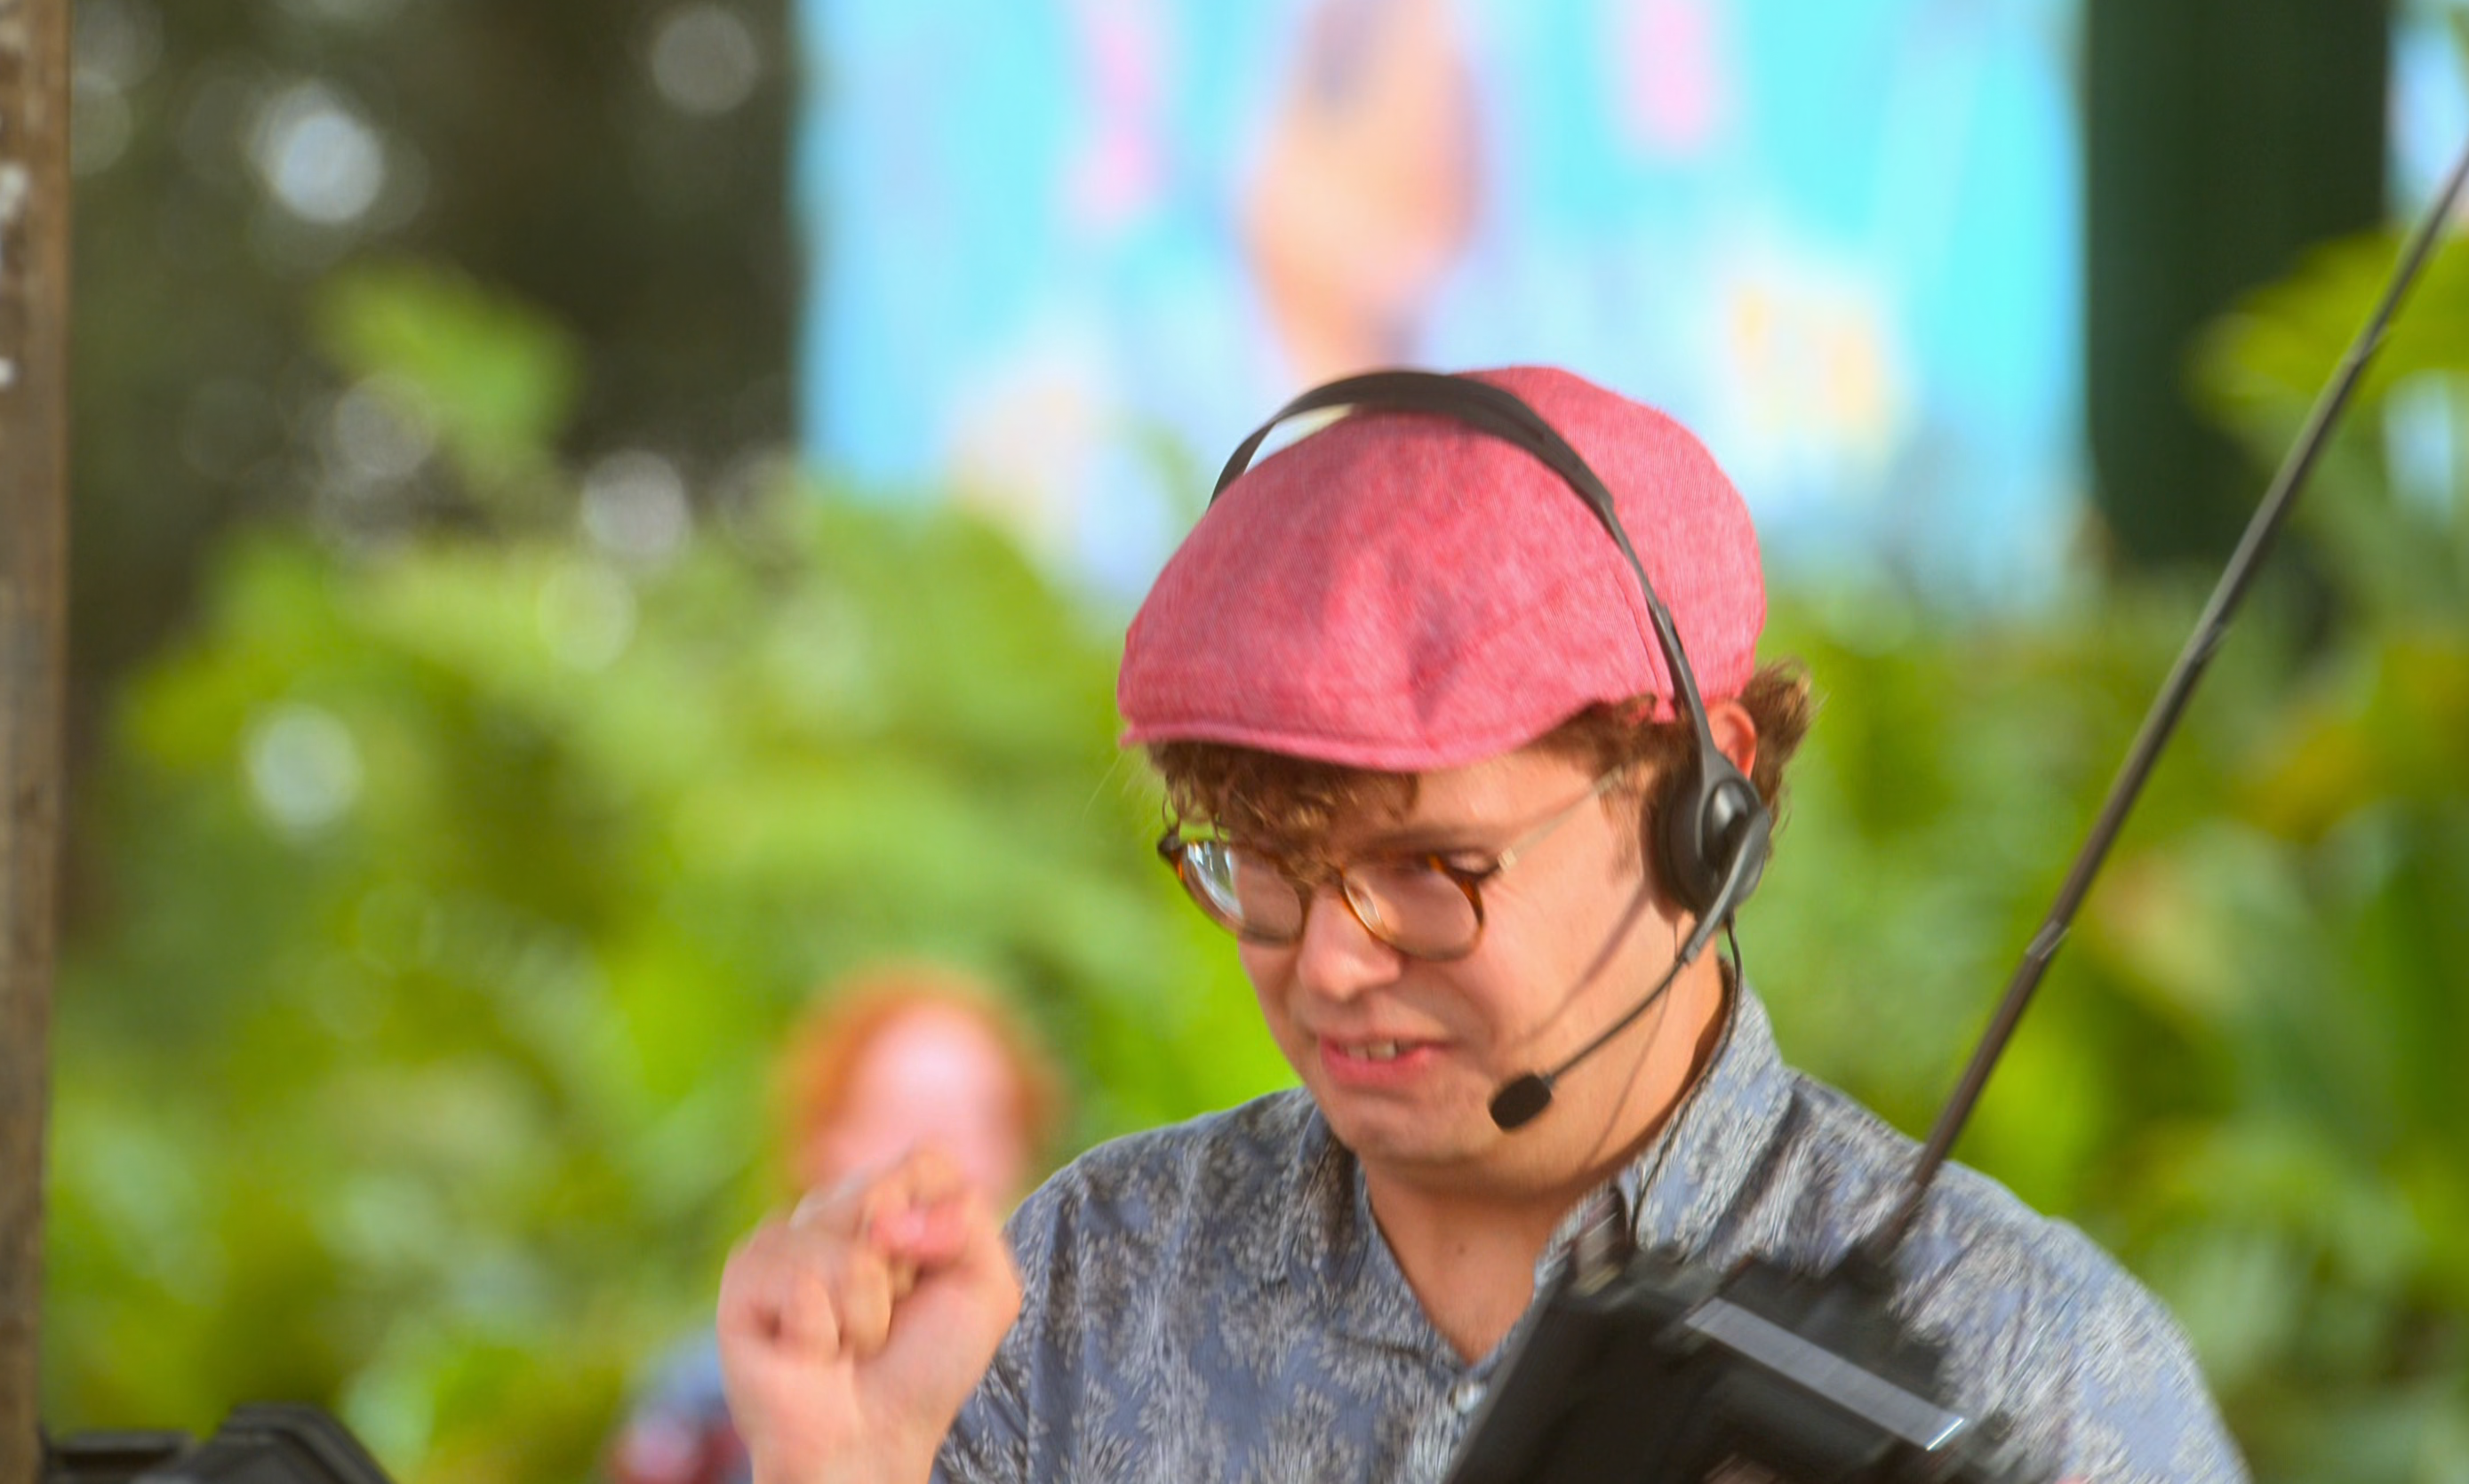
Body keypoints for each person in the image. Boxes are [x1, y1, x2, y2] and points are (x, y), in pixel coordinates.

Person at [715, 367, 2246, 1481]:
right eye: (1264, 867)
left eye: (1430, 868)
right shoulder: (1079, 1304)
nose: (1329, 962)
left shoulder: (2029, 1366)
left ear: (1702, 803)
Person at [607, 969, 1060, 1484]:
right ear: (822, 1144)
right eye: (901, 1113)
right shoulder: (713, 1397)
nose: (938, 1154)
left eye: (977, 1120)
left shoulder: (1073, 1394)